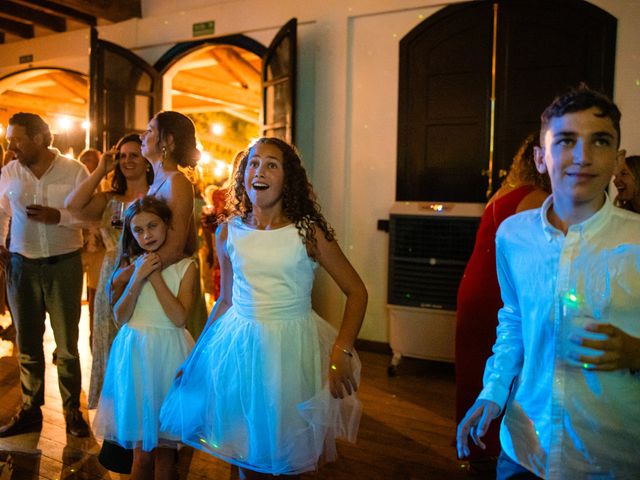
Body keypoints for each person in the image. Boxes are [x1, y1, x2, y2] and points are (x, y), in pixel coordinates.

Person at [456, 85, 640, 479]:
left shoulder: (637, 241)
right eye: (566, 141)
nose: (582, 157)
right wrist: (493, 391)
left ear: (615, 158)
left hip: (609, 456)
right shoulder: (513, 235)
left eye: (600, 141)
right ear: (541, 158)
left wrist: (636, 353)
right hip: (523, 447)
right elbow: (514, 322)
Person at [159, 137, 368, 479]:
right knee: (238, 449)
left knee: (283, 456)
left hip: (289, 354)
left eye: (272, 164)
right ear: (243, 176)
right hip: (237, 351)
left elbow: (357, 291)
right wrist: (195, 357)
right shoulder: (228, 232)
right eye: (254, 163)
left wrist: (341, 350)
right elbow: (225, 300)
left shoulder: (307, 233)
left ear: (289, 178)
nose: (260, 170)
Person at [455, 134, 550, 475]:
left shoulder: (504, 192)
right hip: (498, 291)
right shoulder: (537, 198)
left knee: (474, 365)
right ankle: (491, 446)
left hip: (475, 286)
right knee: (503, 360)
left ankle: (474, 445)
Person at [0, 112, 90, 437]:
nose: (11, 147)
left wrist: (60, 216)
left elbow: (91, 215)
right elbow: (0, 213)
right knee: (26, 342)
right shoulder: (9, 172)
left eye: (17, 139)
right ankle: (29, 409)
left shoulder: (74, 170)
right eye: (10, 140)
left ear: (38, 139)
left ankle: (72, 411)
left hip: (64, 264)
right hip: (21, 265)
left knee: (67, 344)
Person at [93, 196, 196, 480]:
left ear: (167, 226)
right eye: (138, 230)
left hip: (169, 355)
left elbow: (178, 318)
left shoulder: (187, 266)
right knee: (141, 452)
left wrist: (155, 276)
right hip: (135, 356)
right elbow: (120, 316)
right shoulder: (128, 265)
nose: (146, 235)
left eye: (153, 226)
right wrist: (137, 277)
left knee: (166, 451)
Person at [65, 134, 153, 409]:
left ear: (147, 161)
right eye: (122, 156)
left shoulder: (158, 195)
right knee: (110, 341)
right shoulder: (109, 198)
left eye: (134, 155)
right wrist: (101, 169)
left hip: (149, 274)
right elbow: (73, 205)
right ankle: (114, 416)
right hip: (112, 275)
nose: (126, 161)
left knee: (143, 344)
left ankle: (142, 410)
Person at [123, 111, 207, 340]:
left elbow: (175, 247)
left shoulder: (177, 182)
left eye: (150, 130)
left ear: (167, 141)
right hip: (149, 273)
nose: (142, 136)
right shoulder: (155, 185)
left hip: (167, 279)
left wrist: (129, 274)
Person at [77, 148, 105, 347]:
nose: (87, 164)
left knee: (95, 296)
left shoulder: (107, 188)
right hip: (77, 248)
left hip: (100, 250)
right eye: (83, 160)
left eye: (91, 160)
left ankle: (93, 337)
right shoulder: (77, 187)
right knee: (71, 299)